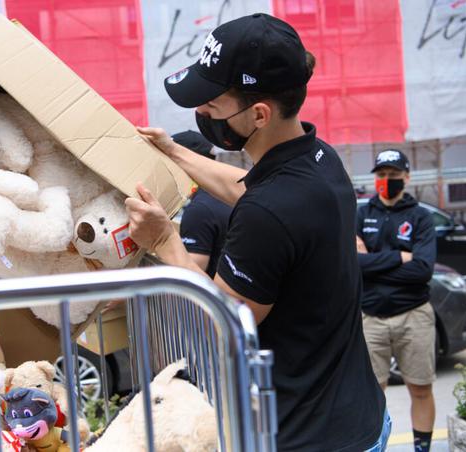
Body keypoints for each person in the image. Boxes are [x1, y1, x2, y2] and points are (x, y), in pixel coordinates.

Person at [124, 13, 388, 451]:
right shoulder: (317, 159)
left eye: (212, 101)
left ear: (259, 114)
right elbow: (244, 189)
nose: (201, 111)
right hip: (357, 416)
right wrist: (174, 152)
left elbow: (222, 319)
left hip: (309, 437)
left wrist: (163, 241)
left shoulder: (268, 212)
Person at [356, 149, 437, 452]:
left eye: (392, 175)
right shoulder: (362, 214)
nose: (386, 180)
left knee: (420, 387)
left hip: (413, 315)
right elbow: (353, 265)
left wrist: (373, 264)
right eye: (381, 175)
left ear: (407, 177)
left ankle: (422, 448)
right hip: (371, 317)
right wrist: (399, 258)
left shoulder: (421, 217)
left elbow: (422, 270)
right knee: (372, 393)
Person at [172, 130, 232, 278]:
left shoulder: (199, 210)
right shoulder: (226, 195)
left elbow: (191, 274)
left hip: (221, 298)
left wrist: (161, 241)